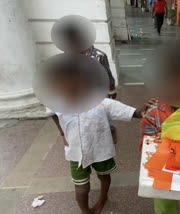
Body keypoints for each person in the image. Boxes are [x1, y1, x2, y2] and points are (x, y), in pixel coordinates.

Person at [49, 62, 157, 214]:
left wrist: (143, 109)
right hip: (76, 152)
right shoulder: (58, 103)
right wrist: (62, 133)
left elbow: (133, 113)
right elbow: (53, 114)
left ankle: (103, 198)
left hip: (101, 149)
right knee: (81, 187)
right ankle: (85, 211)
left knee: (104, 176)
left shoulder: (102, 103)